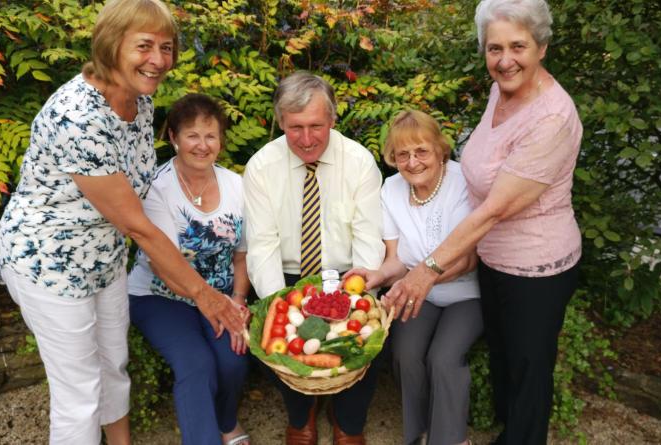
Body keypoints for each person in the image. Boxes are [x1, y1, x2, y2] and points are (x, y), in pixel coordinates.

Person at [0, 1, 244, 443]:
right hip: (49, 262)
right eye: (144, 45)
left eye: (166, 48)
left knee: (114, 366)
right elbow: (138, 226)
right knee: (79, 395)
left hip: (103, 257)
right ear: (111, 45)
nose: (159, 60)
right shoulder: (78, 118)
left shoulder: (139, 101)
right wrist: (204, 295)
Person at [384, 0, 584, 443]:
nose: (505, 59)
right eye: (495, 49)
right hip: (493, 259)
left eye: (518, 46)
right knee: (504, 363)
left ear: (542, 47)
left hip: (536, 267)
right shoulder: (502, 90)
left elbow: (494, 207)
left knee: (528, 374)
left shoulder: (551, 118)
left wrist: (427, 270)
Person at [243, 71, 385, 445]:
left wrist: (357, 297)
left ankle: (349, 422)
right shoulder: (260, 166)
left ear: (333, 120)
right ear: (280, 122)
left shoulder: (359, 161)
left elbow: (368, 238)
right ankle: (301, 414)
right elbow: (262, 245)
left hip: (345, 273)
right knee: (279, 334)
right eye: (295, 128)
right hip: (288, 274)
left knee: (366, 332)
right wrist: (280, 304)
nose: (306, 139)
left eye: (316, 126)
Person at [344, 110, 483, 445]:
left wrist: (416, 282)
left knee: (444, 357)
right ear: (393, 158)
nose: (412, 162)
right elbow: (396, 261)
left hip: (468, 293)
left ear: (440, 150)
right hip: (420, 295)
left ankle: (448, 439)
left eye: (421, 151)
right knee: (404, 353)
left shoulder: (462, 180)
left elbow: (466, 260)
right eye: (402, 154)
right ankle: (419, 434)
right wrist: (375, 275)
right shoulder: (390, 190)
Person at [127, 94, 251, 445]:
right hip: (160, 296)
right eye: (192, 135)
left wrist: (238, 300)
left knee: (233, 358)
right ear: (173, 138)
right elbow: (164, 264)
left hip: (222, 294)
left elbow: (242, 255)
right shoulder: (157, 188)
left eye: (211, 136)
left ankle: (226, 423)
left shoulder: (236, 185)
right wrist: (206, 300)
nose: (202, 145)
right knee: (195, 363)